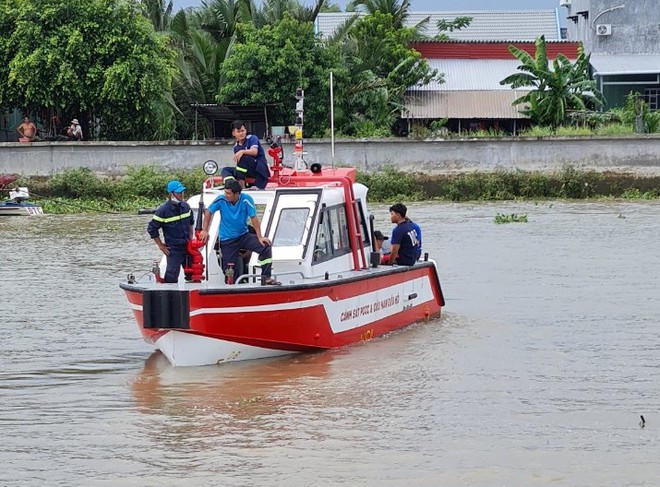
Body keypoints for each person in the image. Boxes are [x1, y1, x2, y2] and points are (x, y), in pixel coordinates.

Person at [199, 178, 279, 285]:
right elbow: (209, 211)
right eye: (225, 192)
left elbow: (254, 217)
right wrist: (205, 230)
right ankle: (231, 286)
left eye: (228, 193)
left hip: (243, 236)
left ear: (236, 194)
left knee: (265, 247)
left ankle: (266, 277)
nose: (225, 195)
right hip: (227, 240)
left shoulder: (246, 200)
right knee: (230, 270)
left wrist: (260, 237)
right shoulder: (221, 199)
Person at [147, 180, 195, 283]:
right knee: (171, 276)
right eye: (178, 193)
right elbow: (152, 228)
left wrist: (191, 238)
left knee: (193, 273)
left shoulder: (186, 207)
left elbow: (191, 223)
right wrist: (160, 245)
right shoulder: (163, 211)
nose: (181, 195)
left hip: (188, 247)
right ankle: (170, 296)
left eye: (182, 192)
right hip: (174, 249)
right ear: (171, 194)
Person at [220, 120, 270, 189]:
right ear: (233, 133)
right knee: (225, 170)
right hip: (246, 170)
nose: (241, 133)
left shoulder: (252, 138)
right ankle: (231, 184)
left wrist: (242, 151)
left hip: (258, 169)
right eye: (238, 131)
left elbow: (254, 151)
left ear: (246, 131)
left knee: (244, 157)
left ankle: (241, 188)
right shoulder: (236, 147)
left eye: (242, 131)